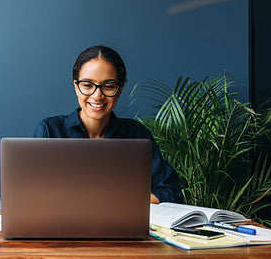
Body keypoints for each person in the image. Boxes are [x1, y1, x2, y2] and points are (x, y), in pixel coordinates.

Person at [33, 45, 182, 203]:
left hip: (122, 225)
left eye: (109, 86)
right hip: (63, 225)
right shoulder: (50, 131)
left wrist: (120, 202)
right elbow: (32, 193)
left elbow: (170, 192)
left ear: (120, 89)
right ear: (76, 87)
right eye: (87, 85)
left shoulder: (137, 135)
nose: (97, 96)